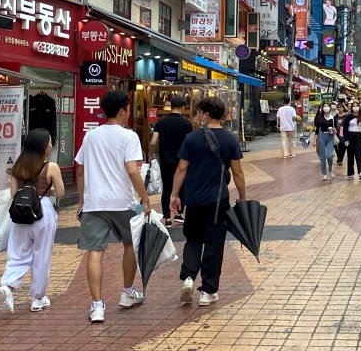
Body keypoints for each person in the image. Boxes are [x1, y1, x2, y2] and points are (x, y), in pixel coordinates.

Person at [76, 90, 150, 324]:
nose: (129, 113)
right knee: (130, 244)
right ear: (122, 110)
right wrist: (145, 199)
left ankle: (97, 306)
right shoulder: (129, 137)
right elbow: (132, 169)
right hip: (123, 203)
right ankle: (127, 292)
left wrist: (81, 201)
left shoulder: (91, 136)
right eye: (128, 109)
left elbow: (80, 169)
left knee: (95, 252)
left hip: (94, 203)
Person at [171, 97, 246, 306]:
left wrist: (174, 195)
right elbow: (238, 173)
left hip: (193, 199)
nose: (197, 116)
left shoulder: (192, 138)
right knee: (213, 244)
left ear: (205, 114)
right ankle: (207, 291)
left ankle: (187, 277)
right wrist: (243, 197)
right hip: (217, 202)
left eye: (199, 112)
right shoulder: (230, 139)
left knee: (193, 239)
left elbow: (181, 169)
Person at [0, 129, 64, 314]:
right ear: (43, 147)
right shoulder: (51, 167)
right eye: (50, 142)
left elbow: (13, 193)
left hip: (20, 212)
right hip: (42, 211)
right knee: (41, 254)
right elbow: (61, 192)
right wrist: (45, 191)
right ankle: (38, 298)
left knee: (17, 253)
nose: (52, 144)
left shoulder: (19, 165)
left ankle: (7, 286)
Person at [150, 96, 193, 227]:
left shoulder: (161, 123)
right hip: (182, 161)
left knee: (167, 189)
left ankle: (167, 219)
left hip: (165, 161)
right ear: (182, 107)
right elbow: (190, 143)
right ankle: (179, 214)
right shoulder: (186, 124)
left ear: (170, 106)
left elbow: (153, 142)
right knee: (182, 187)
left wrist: (151, 154)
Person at [343, 101, 361, 180]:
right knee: (350, 156)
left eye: (356, 106)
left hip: (358, 137)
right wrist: (346, 139)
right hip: (350, 137)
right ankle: (350, 173)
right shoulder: (348, 117)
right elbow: (345, 128)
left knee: (358, 155)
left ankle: (360, 172)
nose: (355, 107)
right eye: (353, 106)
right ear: (351, 108)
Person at [314, 102, 338, 181]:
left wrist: (334, 130)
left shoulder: (333, 117)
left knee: (330, 156)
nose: (326, 107)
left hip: (330, 137)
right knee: (322, 157)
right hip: (321, 136)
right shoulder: (320, 117)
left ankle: (330, 170)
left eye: (327, 106)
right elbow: (317, 128)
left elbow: (336, 128)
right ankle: (324, 173)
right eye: (324, 106)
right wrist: (315, 139)